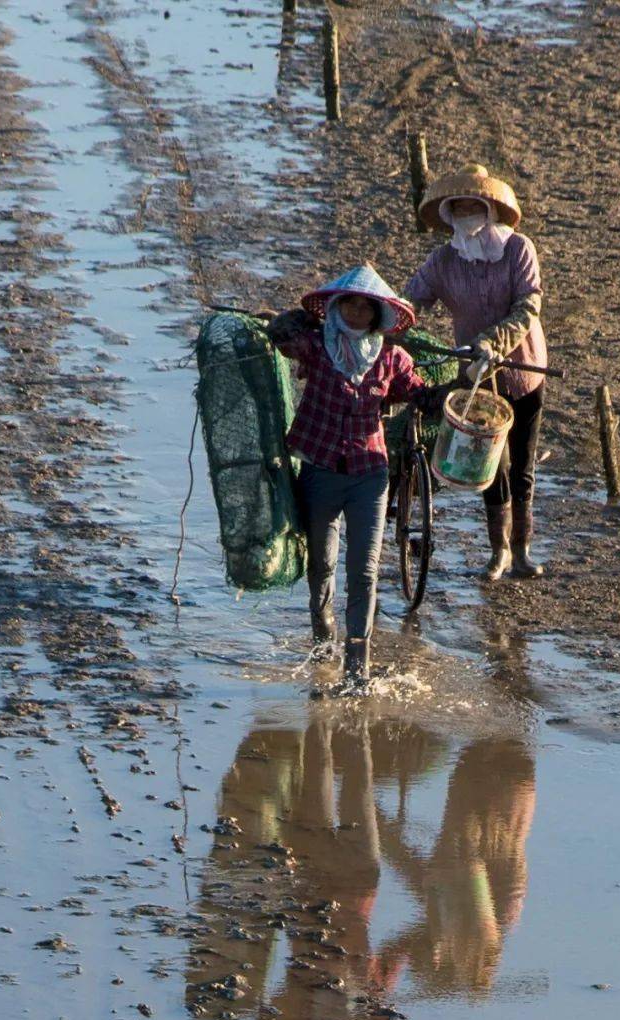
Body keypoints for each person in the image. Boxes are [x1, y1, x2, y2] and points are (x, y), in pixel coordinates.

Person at [266, 265, 435, 686]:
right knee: (321, 566)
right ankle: (324, 642)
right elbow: (279, 336)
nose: (359, 312)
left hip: (369, 475)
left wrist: (458, 384)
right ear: (337, 308)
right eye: (351, 304)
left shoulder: (392, 357)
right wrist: (292, 321)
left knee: (364, 570)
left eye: (367, 307)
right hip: (321, 472)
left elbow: (419, 393)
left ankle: (357, 666)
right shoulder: (316, 348)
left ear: (379, 315)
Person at [404, 163, 548, 580]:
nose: (467, 211)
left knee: (521, 464)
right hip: (477, 379)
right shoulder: (443, 261)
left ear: (489, 208)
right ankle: (498, 551)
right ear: (449, 213)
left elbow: (528, 307)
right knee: (491, 462)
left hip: (524, 372)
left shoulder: (519, 249)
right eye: (459, 206)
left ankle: (521, 550)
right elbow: (412, 302)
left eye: (474, 204)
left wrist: (493, 341)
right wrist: (381, 321)